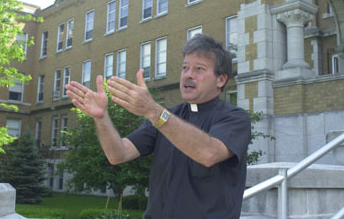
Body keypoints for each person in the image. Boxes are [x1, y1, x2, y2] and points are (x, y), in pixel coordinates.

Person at [65, 34, 251, 219]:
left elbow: (209, 154)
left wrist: (153, 111)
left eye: (199, 69)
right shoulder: (167, 116)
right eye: (185, 68)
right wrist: (101, 117)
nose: (188, 75)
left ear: (221, 80)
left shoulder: (235, 118)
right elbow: (118, 154)